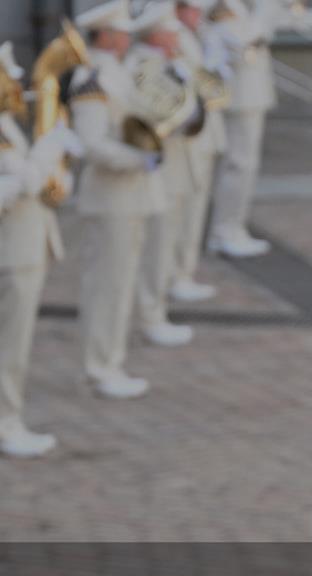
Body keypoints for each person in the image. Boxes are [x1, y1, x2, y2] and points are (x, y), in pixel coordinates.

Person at [71, 0, 164, 400]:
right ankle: (99, 367)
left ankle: (112, 361)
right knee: (106, 286)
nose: (128, 39)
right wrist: (136, 159)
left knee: (121, 282)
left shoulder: (117, 72)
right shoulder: (91, 78)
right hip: (110, 195)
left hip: (130, 195)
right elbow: (92, 144)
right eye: (123, 33)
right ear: (106, 36)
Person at [0, 41, 77, 456]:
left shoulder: (7, 125)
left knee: (15, 346)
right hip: (10, 253)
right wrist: (45, 154)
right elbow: (21, 184)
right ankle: (6, 425)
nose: (17, 88)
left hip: (26, 247)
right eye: (10, 80)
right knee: (9, 348)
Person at [128, 0, 199, 348]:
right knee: (155, 249)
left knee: (164, 244)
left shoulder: (165, 63)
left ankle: (157, 312)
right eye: (172, 33)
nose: (177, 39)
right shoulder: (143, 66)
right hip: (160, 170)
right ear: (156, 36)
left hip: (174, 166)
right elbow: (154, 116)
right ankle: (151, 317)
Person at [206, 0, 275, 257]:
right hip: (239, 96)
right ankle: (225, 231)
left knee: (245, 166)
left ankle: (234, 227)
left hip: (250, 95)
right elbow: (244, 44)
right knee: (239, 165)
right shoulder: (222, 5)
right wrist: (267, 9)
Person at [170, 0, 225, 303]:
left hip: (205, 135)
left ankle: (184, 272)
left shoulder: (195, 35)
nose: (199, 14)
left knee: (195, 212)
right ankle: (178, 275)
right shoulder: (176, 37)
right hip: (192, 139)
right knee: (185, 214)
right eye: (193, 8)